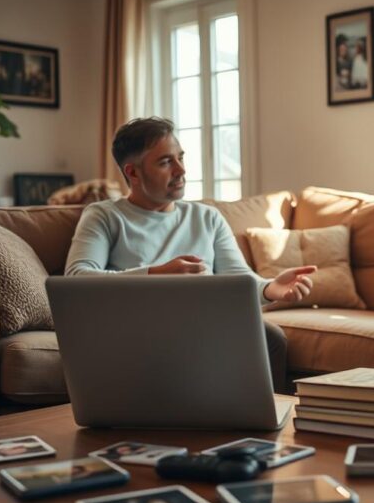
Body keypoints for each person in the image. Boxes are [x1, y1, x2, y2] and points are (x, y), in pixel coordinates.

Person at [65, 117, 315, 393]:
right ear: (133, 173)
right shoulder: (104, 216)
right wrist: (157, 274)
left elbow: (239, 281)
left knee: (269, 337)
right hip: (138, 329)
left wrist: (270, 288)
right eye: (165, 162)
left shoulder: (207, 218)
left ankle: (262, 427)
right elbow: (77, 278)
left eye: (180, 158)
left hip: (202, 325)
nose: (181, 170)